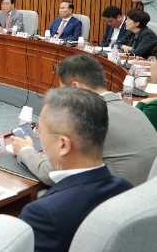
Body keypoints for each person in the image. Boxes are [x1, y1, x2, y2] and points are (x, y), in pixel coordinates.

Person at [11, 54, 157, 187]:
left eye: (64, 91)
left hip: (112, 202)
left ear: (76, 87)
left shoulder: (90, 118)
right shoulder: (135, 111)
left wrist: (26, 151)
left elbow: (53, 174)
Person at [18, 87, 132, 252]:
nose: (38, 137)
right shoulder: (125, 188)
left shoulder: (43, 214)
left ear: (63, 145)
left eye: (40, 131)